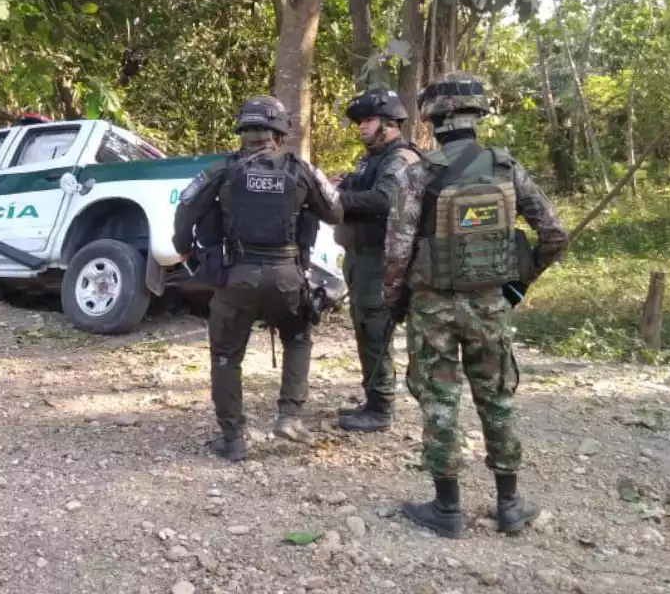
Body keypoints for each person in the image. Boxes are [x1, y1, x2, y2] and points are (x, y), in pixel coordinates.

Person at [381, 71, 568, 538]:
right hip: (490, 305)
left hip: (433, 306)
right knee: (497, 399)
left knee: (440, 402)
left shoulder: (417, 173)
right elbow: (554, 235)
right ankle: (510, 504)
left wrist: (393, 301)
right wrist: (519, 284)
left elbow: (397, 251)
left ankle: (447, 510)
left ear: (431, 120)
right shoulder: (506, 168)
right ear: (478, 115)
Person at [172, 95, 344, 462]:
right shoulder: (301, 170)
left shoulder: (221, 170)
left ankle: (233, 439)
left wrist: (183, 247)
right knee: (298, 339)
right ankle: (290, 416)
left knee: (226, 356)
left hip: (236, 279)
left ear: (242, 133)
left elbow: (185, 210)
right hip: (288, 279)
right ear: (279, 133)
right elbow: (335, 212)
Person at [333, 89, 421, 433]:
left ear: (390, 123)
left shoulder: (399, 158)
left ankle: (381, 408)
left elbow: (386, 200)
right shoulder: (374, 158)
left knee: (374, 330)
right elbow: (364, 188)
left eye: (367, 120)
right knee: (365, 328)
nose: (361, 128)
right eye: (360, 121)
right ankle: (373, 398)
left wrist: (338, 197)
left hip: (381, 261)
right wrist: (345, 183)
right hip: (360, 257)